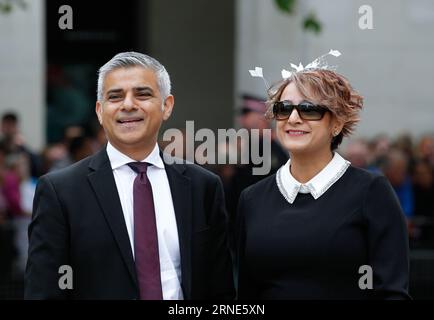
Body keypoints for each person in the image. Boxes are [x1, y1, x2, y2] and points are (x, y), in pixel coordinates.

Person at [25, 52, 234, 300]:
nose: (128, 105)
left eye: (142, 94)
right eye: (115, 96)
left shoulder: (203, 187)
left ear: (166, 106)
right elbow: (44, 291)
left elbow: (220, 291)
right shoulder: (60, 191)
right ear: (100, 111)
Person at [236, 53, 410, 299]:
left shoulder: (371, 191)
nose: (293, 118)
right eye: (283, 109)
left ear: (336, 123)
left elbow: (391, 292)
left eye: (308, 109)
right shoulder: (252, 198)